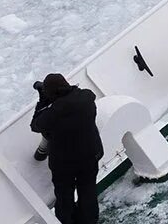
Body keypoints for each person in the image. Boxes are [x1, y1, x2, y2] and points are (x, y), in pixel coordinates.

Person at [30, 73, 102, 224]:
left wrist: (43, 101)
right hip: (90, 154)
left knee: (64, 198)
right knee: (88, 192)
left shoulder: (53, 113)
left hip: (64, 164)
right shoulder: (86, 98)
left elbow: (35, 125)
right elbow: (79, 95)